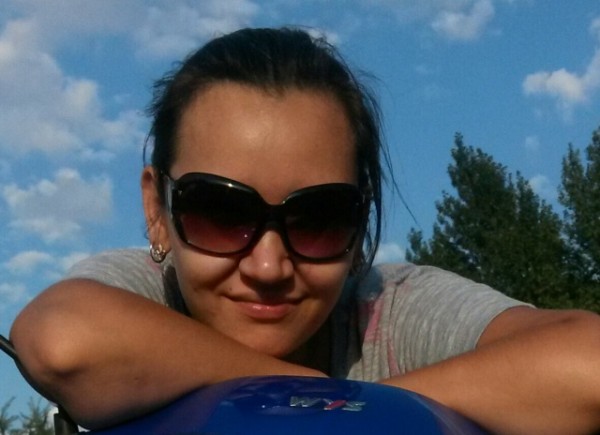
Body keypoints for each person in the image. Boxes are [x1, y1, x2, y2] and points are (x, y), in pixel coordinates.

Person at [9, 27, 600, 433]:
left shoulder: (389, 309)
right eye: (220, 211)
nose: (268, 266)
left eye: (318, 218)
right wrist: (320, 395)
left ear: (360, 222)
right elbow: (63, 341)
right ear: (156, 209)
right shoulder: (144, 291)